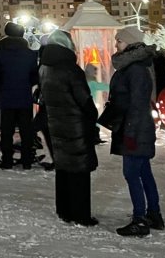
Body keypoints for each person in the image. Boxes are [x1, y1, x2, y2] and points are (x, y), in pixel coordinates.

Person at [40, 30, 99, 226]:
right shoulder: (71, 69)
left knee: (63, 168)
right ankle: (81, 214)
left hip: (55, 124)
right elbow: (83, 99)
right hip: (75, 126)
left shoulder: (45, 68)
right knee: (80, 172)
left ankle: (64, 210)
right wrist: (92, 115)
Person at [109, 27, 163, 237]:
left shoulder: (136, 69)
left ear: (130, 43)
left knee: (131, 173)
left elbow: (138, 104)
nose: (116, 44)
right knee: (143, 172)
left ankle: (140, 218)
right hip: (136, 126)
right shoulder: (134, 66)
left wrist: (130, 132)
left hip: (135, 128)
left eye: (119, 41)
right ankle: (153, 213)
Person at [0, 22, 39, 170]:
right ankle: (26, 160)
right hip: (24, 98)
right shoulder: (31, 54)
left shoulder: (0, 54)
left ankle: (7, 160)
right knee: (26, 131)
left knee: (7, 131)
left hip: (6, 97)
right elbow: (34, 78)